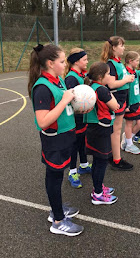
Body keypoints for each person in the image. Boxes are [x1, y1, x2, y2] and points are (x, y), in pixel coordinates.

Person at [28, 43, 83, 236]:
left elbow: (63, 107)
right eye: (62, 61)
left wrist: (78, 105)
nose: (65, 64)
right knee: (54, 175)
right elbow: (43, 121)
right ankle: (58, 220)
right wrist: (64, 101)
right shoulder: (42, 87)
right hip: (54, 141)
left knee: (58, 175)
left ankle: (56, 207)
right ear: (50, 63)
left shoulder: (58, 80)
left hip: (65, 136)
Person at [84, 62, 119, 204]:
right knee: (101, 161)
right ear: (100, 76)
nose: (110, 76)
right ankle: (97, 194)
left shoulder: (92, 87)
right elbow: (115, 106)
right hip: (100, 129)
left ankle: (97, 187)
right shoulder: (102, 90)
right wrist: (110, 91)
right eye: (108, 74)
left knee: (98, 161)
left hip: (95, 129)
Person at [101, 36, 135, 171]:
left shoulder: (118, 63)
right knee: (116, 131)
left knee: (115, 130)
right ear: (114, 48)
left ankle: (112, 155)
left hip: (121, 99)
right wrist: (126, 79)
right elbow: (111, 84)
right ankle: (116, 159)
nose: (124, 48)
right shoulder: (110, 64)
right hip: (115, 99)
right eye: (121, 45)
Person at [64, 48, 92, 189]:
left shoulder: (82, 75)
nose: (87, 62)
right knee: (74, 145)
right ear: (76, 61)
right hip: (75, 118)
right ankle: (72, 172)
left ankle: (84, 165)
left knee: (82, 141)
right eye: (85, 59)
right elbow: (71, 100)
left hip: (83, 116)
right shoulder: (71, 78)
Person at [120, 51, 140, 154]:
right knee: (129, 123)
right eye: (137, 60)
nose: (138, 62)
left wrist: (139, 99)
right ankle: (129, 144)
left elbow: (137, 87)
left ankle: (127, 137)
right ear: (130, 61)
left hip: (136, 102)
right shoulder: (125, 73)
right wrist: (125, 104)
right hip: (129, 104)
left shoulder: (135, 72)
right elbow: (124, 90)